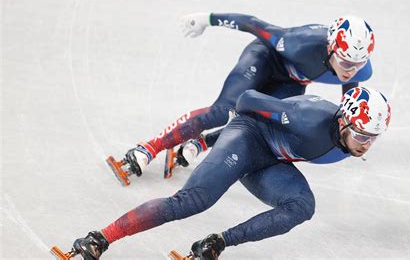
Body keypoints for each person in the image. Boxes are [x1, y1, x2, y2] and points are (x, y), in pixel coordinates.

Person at [68, 86, 391, 259]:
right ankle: (99, 238)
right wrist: (211, 140)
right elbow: (248, 99)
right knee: (192, 202)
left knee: (302, 206)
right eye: (361, 136)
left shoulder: (345, 137)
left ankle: (217, 243)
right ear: (343, 121)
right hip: (248, 139)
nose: (365, 145)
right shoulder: (307, 118)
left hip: (272, 160)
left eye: (372, 139)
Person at [108, 12, 376, 184]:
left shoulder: (357, 66)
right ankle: (150, 147)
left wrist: (353, 130)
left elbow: (350, 96)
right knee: (224, 110)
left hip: (292, 82)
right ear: (331, 48)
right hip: (264, 58)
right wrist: (208, 18)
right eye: (344, 61)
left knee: (261, 122)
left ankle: (201, 143)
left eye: (358, 63)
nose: (350, 69)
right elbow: (254, 24)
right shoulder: (298, 42)